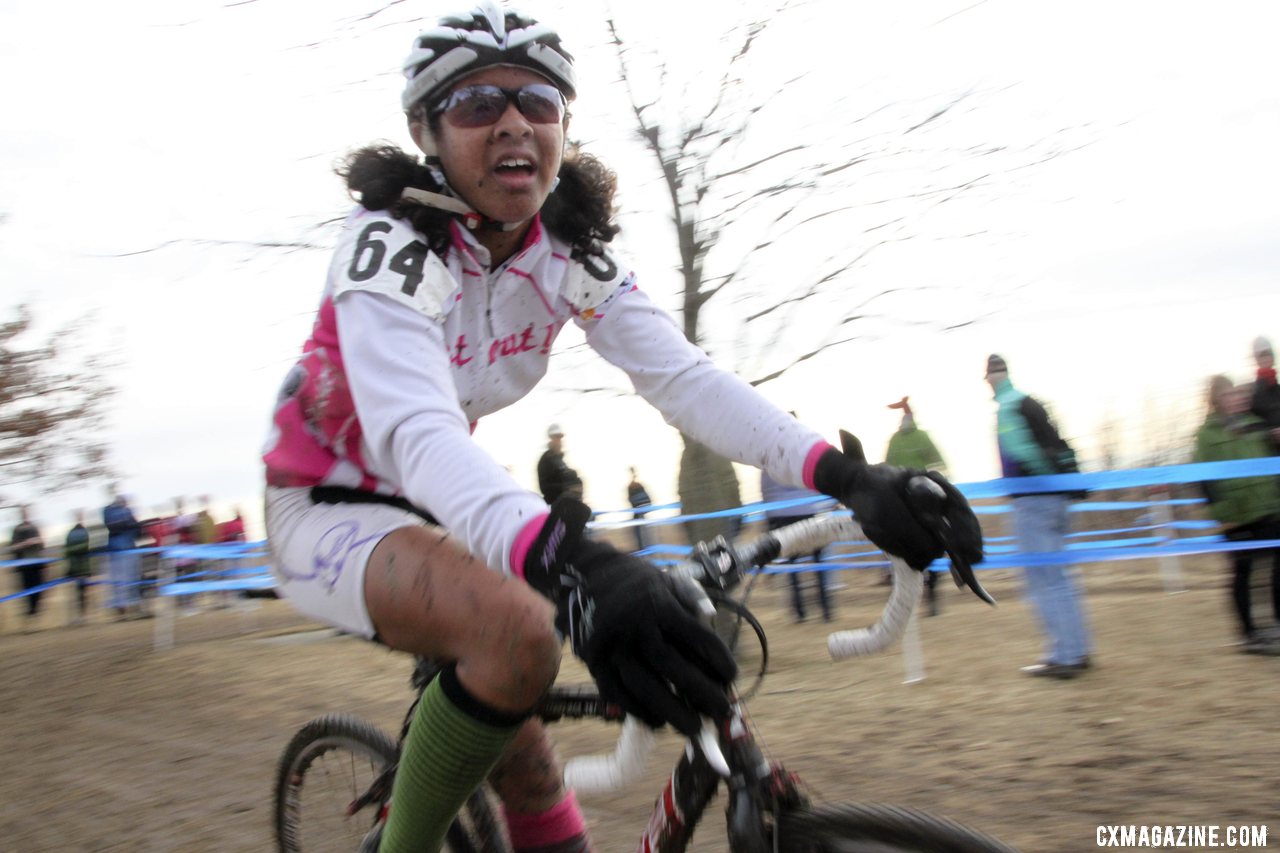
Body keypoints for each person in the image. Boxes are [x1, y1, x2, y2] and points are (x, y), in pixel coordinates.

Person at [260, 6, 983, 850]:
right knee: (519, 633)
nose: (513, 122)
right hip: (328, 507)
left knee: (523, 741)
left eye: (539, 100)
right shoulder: (390, 244)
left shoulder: (566, 250)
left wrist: (845, 476)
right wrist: (575, 565)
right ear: (424, 128)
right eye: (476, 103)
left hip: (445, 506)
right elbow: (414, 431)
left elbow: (681, 376)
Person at [985, 354, 1093, 679]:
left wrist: (1040, 479)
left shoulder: (1008, 408)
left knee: (1043, 581)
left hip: (1033, 501)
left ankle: (1064, 656)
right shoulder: (1031, 403)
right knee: (1061, 578)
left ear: (991, 378)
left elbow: (1022, 452)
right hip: (1056, 499)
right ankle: (1076, 649)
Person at [1193, 375, 1280, 654]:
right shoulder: (1206, 434)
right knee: (1243, 572)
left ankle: (1276, 625)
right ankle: (1249, 633)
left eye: (1237, 394)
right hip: (1234, 515)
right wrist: (1219, 512)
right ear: (1218, 399)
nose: (1237, 399)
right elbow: (1201, 478)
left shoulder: (1253, 425)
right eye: (1230, 395)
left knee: (1277, 567)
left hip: (1267, 507)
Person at [884, 396, 949, 615]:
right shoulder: (895, 440)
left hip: (922, 503)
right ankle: (910, 599)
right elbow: (887, 469)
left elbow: (939, 463)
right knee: (902, 551)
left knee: (928, 548)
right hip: (902, 503)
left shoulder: (921, 437)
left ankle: (931, 597)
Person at [760, 468, 833, 622]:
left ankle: (800, 612)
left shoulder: (768, 461)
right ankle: (826, 608)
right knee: (819, 560)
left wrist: (770, 520)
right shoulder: (801, 451)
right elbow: (817, 479)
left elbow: (766, 491)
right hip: (809, 510)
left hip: (783, 515)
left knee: (792, 564)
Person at [104, 491, 145, 620]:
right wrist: (129, 522)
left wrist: (137, 525)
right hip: (118, 551)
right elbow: (113, 526)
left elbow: (137, 529)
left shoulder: (127, 511)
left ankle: (135, 608)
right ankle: (121, 611)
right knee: (120, 582)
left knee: (134, 580)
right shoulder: (109, 511)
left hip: (130, 548)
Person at [9, 505, 45, 628]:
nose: (25, 514)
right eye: (23, 513)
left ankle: (34, 616)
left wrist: (38, 541)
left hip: (37, 564)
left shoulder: (35, 527)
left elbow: (42, 544)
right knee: (27, 592)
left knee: (39, 592)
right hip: (24, 565)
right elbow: (12, 547)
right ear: (21, 514)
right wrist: (25, 543)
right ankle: (29, 620)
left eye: (27, 512)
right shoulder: (17, 530)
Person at [536, 423, 582, 504]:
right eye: (556, 438)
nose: (559, 441)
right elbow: (544, 488)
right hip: (556, 503)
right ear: (551, 438)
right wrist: (567, 488)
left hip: (569, 501)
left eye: (560, 438)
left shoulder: (559, 459)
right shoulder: (545, 460)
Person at [1248, 335, 1280, 449]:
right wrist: (1271, 434)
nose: (1266, 358)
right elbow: (1250, 425)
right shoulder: (1252, 393)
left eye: (1268, 354)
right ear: (1257, 360)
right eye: (1262, 355)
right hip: (1266, 453)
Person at [64, 510, 93, 625]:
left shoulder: (79, 532)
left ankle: (83, 616)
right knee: (79, 593)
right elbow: (69, 549)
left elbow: (70, 549)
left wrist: (74, 549)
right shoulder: (74, 532)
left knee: (82, 592)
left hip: (81, 566)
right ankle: (78, 616)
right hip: (77, 567)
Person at [625, 466, 653, 551]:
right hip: (638, 514)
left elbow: (647, 500)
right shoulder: (632, 486)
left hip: (640, 514)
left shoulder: (636, 486)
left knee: (643, 537)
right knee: (641, 537)